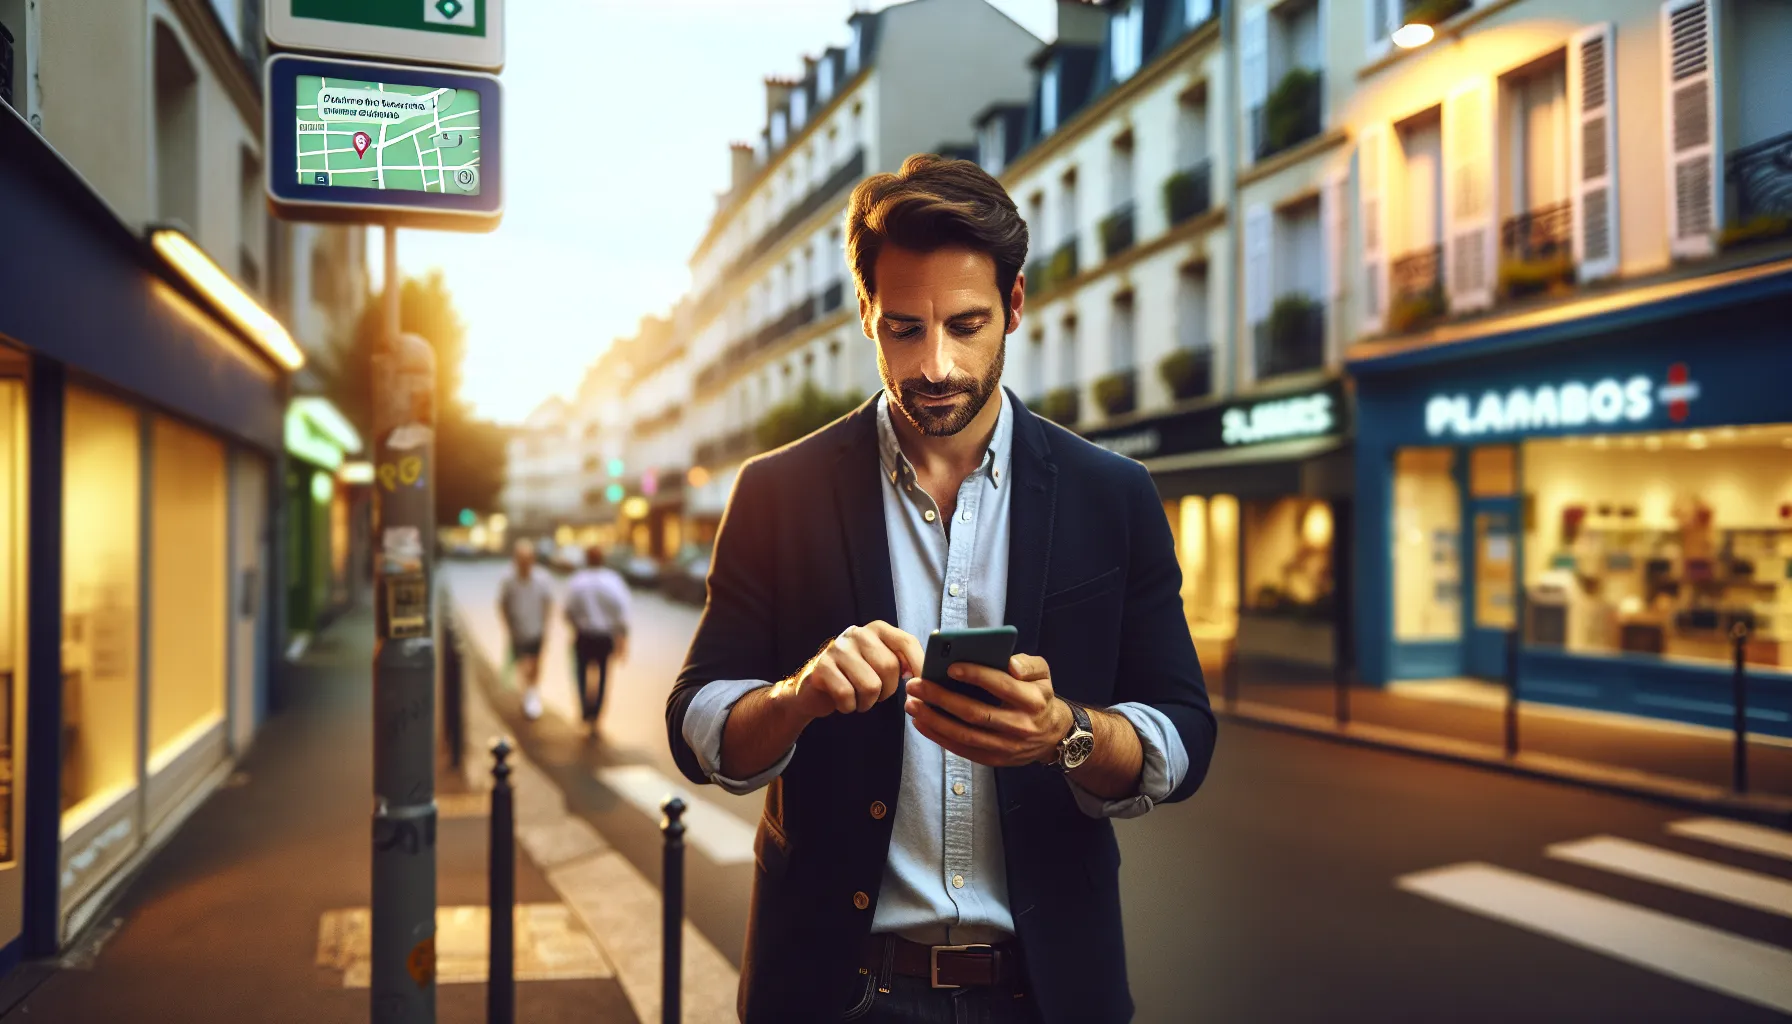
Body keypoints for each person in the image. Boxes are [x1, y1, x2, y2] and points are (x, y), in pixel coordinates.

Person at [666, 155, 1216, 1024]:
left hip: (1051, 994)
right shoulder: (777, 490)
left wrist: (1065, 734)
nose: (937, 365)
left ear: (1017, 306)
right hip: (834, 993)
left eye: (965, 325)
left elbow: (1185, 736)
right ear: (865, 315)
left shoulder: (1113, 494)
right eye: (904, 329)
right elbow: (699, 726)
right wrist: (798, 697)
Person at [564, 545, 631, 738]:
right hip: (604, 637)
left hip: (584, 635)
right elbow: (622, 613)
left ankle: (585, 710)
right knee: (602, 677)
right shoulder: (613, 581)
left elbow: (568, 611)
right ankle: (596, 716)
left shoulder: (577, 582)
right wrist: (622, 640)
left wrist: (576, 625)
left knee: (581, 675)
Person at [497, 538, 554, 720]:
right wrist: (508, 626)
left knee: (535, 664)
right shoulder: (508, 579)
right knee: (523, 664)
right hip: (518, 630)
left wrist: (546, 626)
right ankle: (528, 693)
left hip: (537, 628)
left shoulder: (543, 579)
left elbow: (548, 604)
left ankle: (532, 692)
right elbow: (502, 604)